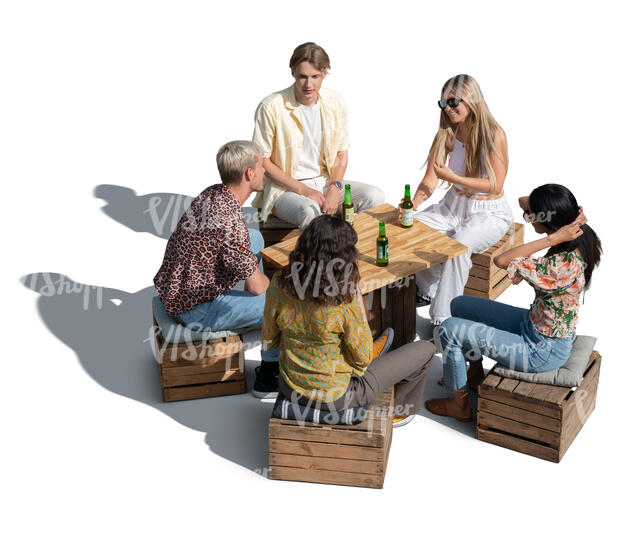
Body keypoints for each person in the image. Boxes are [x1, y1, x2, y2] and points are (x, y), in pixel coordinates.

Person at [425, 183, 602, 421]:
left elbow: (502, 260)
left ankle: (459, 405)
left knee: (448, 330)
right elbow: (523, 199)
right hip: (533, 327)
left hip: (541, 351)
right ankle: (474, 374)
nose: (527, 217)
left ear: (549, 222)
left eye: (531, 217)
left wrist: (551, 238)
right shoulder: (578, 235)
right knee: (459, 305)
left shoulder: (559, 267)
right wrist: (567, 220)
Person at [262, 214, 435, 427]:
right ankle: (400, 410)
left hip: (290, 386)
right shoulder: (343, 298)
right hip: (337, 397)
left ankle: (376, 349)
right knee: (426, 349)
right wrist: (357, 299)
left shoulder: (279, 282)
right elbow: (362, 359)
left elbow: (269, 339)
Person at [153, 140, 280, 399]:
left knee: (254, 238)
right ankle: (268, 377)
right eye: (261, 166)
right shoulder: (229, 223)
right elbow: (259, 285)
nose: (265, 171)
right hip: (195, 309)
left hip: (177, 289)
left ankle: (246, 310)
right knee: (280, 303)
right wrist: (276, 285)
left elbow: (232, 244)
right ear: (249, 174)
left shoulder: (213, 193)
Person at [408, 74, 513, 325]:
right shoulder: (446, 133)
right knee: (411, 230)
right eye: (443, 103)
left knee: (459, 247)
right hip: (453, 204)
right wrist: (412, 204)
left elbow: (495, 184)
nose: (448, 108)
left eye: (453, 101)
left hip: (488, 211)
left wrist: (454, 177)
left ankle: (444, 318)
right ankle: (426, 290)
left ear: (472, 99)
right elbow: (430, 181)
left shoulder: (494, 134)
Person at [252, 42, 384, 230]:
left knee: (375, 196)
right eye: (303, 77)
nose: (308, 84)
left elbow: (341, 154)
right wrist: (304, 190)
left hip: (325, 181)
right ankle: (317, 259)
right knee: (310, 211)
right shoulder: (271, 106)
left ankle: (357, 252)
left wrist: (334, 188)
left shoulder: (335, 101)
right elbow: (262, 160)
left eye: (315, 76)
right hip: (285, 189)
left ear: (324, 73)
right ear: (293, 73)